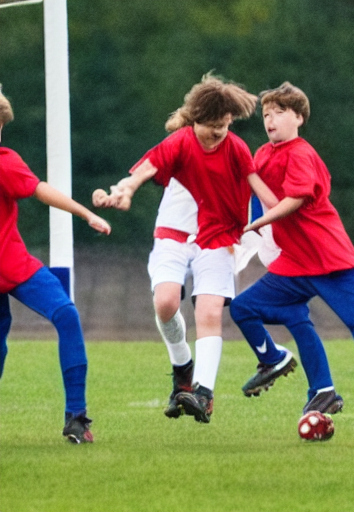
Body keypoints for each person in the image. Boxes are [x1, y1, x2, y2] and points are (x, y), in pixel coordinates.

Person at [229, 82, 354, 440]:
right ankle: (281, 365)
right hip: (293, 266)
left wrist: (262, 220)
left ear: (299, 117)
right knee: (244, 308)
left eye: (278, 112)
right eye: (266, 114)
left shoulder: (302, 154)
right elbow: (254, 187)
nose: (270, 119)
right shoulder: (262, 154)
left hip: (332, 265)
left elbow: (294, 199)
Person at [93, 73, 276, 424]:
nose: (216, 136)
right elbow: (143, 171)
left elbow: (264, 193)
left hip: (218, 238)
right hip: (174, 234)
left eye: (223, 128)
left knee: (209, 313)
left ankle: (203, 394)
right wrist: (124, 191)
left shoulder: (235, 148)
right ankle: (183, 371)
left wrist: (286, 214)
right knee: (165, 303)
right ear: (195, 122)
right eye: (211, 129)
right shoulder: (179, 142)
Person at [0, 86, 112, 443]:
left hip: (12, 261)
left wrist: (83, 213)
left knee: (66, 313)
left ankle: (76, 416)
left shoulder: (4, 160)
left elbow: (38, 188)